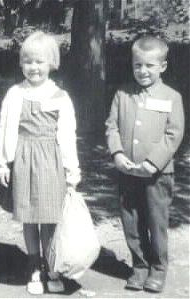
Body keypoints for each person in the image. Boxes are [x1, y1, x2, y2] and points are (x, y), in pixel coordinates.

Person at [0, 31, 80, 295]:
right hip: (23, 159)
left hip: (51, 162)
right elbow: (4, 128)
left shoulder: (59, 96)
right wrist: (2, 163)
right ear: (21, 63)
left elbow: (67, 134)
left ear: (52, 63)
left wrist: (71, 170)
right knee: (30, 219)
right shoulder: (15, 94)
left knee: (51, 219)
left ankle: (52, 266)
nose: (34, 67)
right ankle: (34, 265)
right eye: (28, 61)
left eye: (40, 62)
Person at [105, 35, 184, 293]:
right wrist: (117, 153)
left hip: (157, 175)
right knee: (131, 220)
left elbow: (174, 134)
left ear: (162, 66)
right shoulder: (122, 94)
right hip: (127, 171)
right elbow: (112, 126)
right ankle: (139, 266)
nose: (143, 71)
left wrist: (153, 162)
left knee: (155, 221)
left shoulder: (172, 97)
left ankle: (158, 269)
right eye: (138, 65)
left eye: (149, 65)